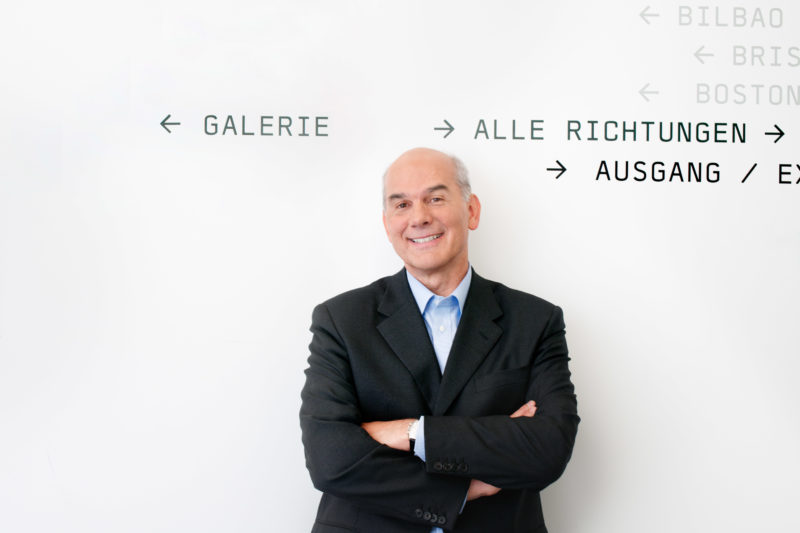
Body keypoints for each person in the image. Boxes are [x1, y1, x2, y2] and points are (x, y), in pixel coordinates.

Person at [300, 147, 579, 532]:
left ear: (472, 210)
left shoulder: (535, 320)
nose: (419, 217)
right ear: (387, 223)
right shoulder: (341, 320)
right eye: (401, 205)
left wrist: (411, 432)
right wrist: (463, 489)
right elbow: (330, 458)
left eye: (435, 198)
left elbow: (547, 450)